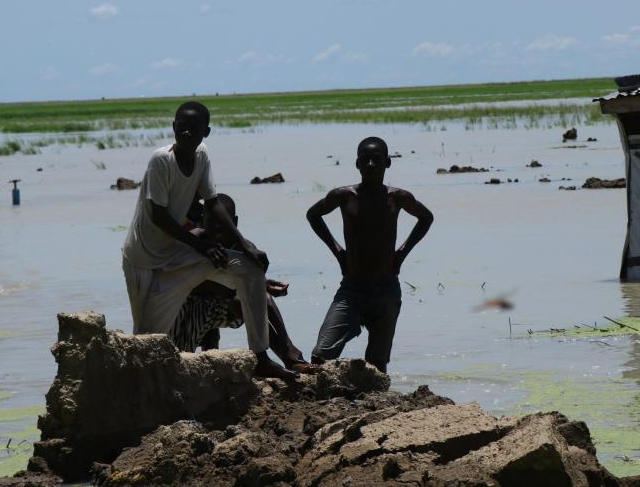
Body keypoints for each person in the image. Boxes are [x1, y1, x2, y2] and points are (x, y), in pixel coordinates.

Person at [122, 101, 295, 380]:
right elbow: (157, 215)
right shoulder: (161, 160)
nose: (188, 133)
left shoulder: (202, 155)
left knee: (250, 269)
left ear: (207, 132)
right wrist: (199, 244)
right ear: (174, 128)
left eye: (195, 128)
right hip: (142, 260)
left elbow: (212, 202)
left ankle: (261, 356)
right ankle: (141, 386)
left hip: (177, 251)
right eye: (182, 128)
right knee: (146, 338)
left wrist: (244, 242)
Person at [307, 137, 434, 373]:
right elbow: (313, 215)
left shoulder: (397, 198)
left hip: (386, 287)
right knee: (321, 354)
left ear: (388, 163)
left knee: (378, 361)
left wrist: (402, 253)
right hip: (352, 288)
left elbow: (426, 218)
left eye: (377, 160)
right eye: (365, 160)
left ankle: (377, 403)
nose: (371, 165)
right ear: (357, 164)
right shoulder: (344, 196)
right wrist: (337, 251)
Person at [169, 194, 320, 373]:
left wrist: (264, 284)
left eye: (222, 222)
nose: (217, 227)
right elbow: (204, 284)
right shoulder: (196, 240)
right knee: (178, 363)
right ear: (202, 220)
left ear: (234, 222)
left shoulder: (244, 248)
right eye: (211, 221)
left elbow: (249, 284)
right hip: (192, 309)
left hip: (224, 309)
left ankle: (288, 354)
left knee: (262, 297)